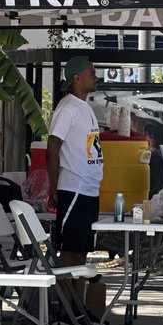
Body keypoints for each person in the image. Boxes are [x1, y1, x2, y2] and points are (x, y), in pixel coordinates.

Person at [46, 54, 103, 269]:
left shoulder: (85, 107)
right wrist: (54, 187)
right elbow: (52, 148)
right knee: (69, 252)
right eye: (92, 73)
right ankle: (65, 303)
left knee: (82, 254)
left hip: (89, 189)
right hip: (73, 188)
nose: (96, 78)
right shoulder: (67, 108)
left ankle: (80, 302)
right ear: (77, 78)